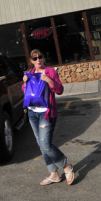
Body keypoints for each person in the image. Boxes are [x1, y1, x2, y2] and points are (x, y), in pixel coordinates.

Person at [23, 49, 75, 186]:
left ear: (43, 58)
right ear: (31, 61)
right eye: (35, 58)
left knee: (45, 144)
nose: (38, 60)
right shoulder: (30, 72)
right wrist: (25, 82)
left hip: (46, 113)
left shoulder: (50, 72)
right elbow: (26, 90)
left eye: (40, 57)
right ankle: (53, 173)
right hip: (32, 113)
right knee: (41, 144)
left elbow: (60, 90)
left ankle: (66, 166)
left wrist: (48, 80)